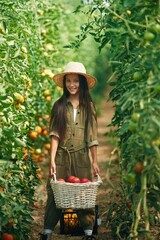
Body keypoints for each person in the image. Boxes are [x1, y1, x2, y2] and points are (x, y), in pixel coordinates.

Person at [39, 62, 100, 240]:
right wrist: (52, 160)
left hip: (82, 156)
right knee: (55, 192)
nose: (72, 85)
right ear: (64, 83)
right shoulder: (59, 106)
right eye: (68, 81)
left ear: (82, 83)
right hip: (61, 156)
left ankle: (88, 232)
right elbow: (55, 135)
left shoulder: (88, 107)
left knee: (84, 190)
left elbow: (92, 137)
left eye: (75, 81)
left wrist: (95, 161)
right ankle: (47, 231)